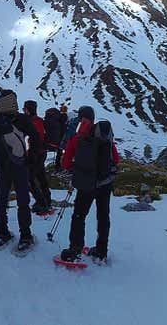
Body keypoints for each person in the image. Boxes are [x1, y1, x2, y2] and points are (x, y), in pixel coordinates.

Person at [59, 106, 120, 263]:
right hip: (105, 184)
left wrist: (78, 167)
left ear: (80, 118)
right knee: (103, 216)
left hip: (86, 184)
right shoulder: (104, 135)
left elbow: (65, 163)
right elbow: (116, 159)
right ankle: (101, 251)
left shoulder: (77, 137)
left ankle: (75, 249)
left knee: (79, 216)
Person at [0, 90, 40, 252]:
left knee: (1, 200)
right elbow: (35, 137)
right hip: (20, 165)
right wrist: (31, 158)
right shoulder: (20, 118)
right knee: (23, 201)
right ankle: (25, 236)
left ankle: (3, 233)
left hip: (1, 166)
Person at [24, 100, 52, 214]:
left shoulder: (31, 122)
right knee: (41, 177)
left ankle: (41, 203)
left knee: (29, 179)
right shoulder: (39, 121)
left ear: (28, 110)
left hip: (35, 154)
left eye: (24, 109)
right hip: (41, 153)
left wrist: (29, 153)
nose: (23, 111)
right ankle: (47, 200)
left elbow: (36, 139)